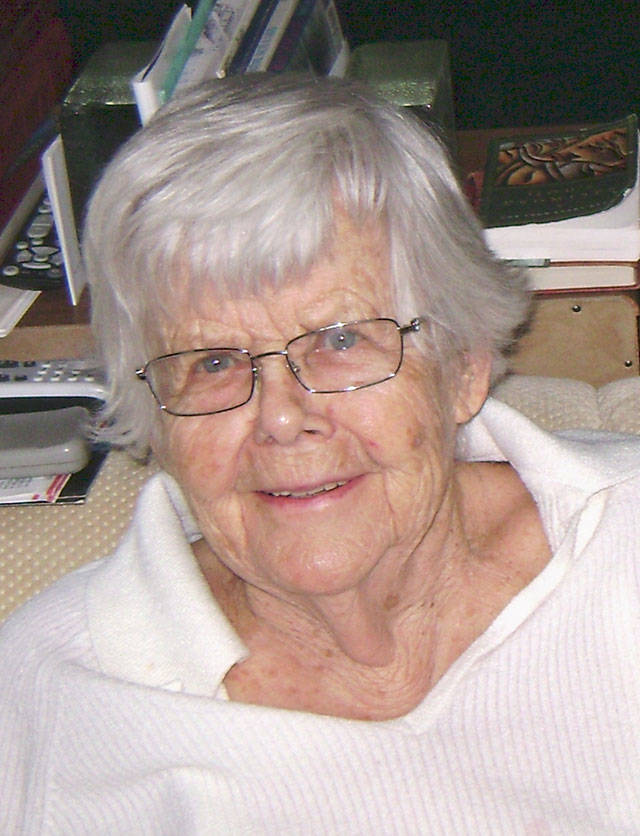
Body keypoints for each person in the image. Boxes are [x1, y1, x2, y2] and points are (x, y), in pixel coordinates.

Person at [2, 74, 640, 833]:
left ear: (463, 366)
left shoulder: (622, 548)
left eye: (340, 340)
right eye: (212, 361)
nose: (280, 417)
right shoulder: (45, 696)